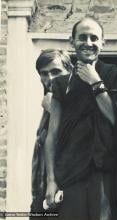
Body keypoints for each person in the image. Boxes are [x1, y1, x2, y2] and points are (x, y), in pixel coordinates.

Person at [44, 16, 117, 220]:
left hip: (106, 177)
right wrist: (51, 180)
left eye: (94, 38)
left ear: (103, 42)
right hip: (70, 174)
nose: (88, 43)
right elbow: (52, 135)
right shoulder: (61, 84)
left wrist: (96, 83)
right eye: (82, 37)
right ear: (71, 42)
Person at [30, 49, 72, 217]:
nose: (50, 79)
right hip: (42, 194)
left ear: (70, 71)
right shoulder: (49, 98)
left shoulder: (76, 101)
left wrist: (53, 110)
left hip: (63, 193)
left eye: (56, 72)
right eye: (44, 73)